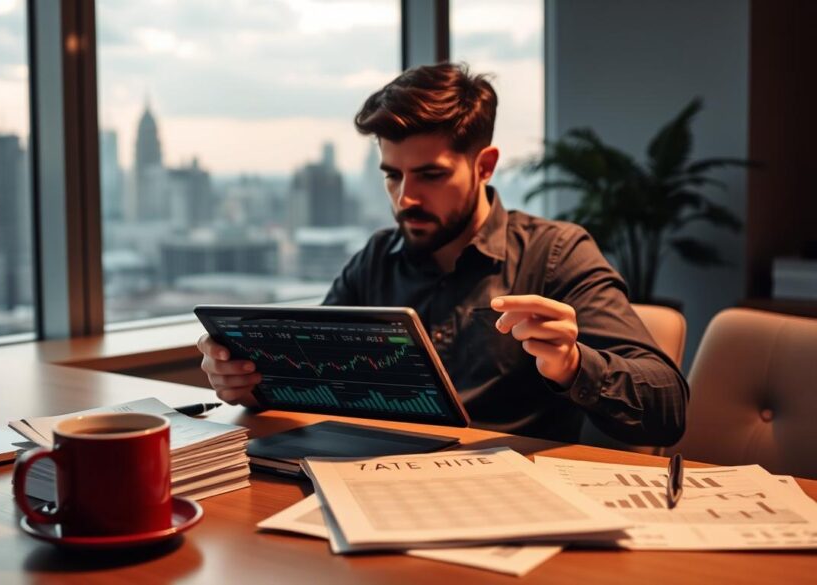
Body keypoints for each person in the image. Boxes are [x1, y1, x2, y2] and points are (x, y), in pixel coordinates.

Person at [198, 63, 688, 446]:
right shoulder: (376, 258)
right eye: (392, 175)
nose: (405, 198)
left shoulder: (555, 254)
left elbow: (667, 407)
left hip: (507, 498)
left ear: (485, 166)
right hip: (371, 486)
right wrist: (250, 385)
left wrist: (574, 364)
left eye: (430, 175)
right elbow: (308, 382)